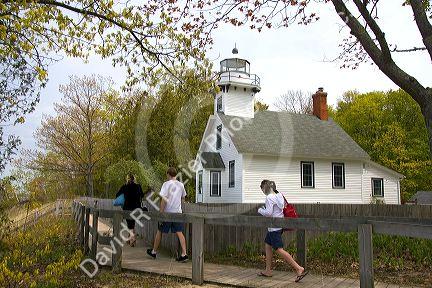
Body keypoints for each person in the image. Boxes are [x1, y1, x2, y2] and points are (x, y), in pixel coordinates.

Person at [257, 180, 308, 282]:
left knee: (279, 249)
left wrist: (260, 210)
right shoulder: (279, 195)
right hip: (279, 226)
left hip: (274, 228)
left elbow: (268, 213)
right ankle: (268, 271)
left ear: (266, 188)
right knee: (267, 245)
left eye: (262, 189)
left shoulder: (269, 197)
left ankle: (299, 268)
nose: (262, 191)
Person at [147, 167, 188, 262]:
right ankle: (184, 254)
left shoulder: (166, 184)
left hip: (167, 213)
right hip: (177, 213)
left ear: (168, 174)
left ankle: (154, 252)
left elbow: (164, 200)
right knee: (179, 232)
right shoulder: (181, 185)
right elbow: (183, 198)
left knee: (160, 231)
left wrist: (161, 213)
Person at [115, 172, 144, 247]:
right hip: (137, 208)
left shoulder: (125, 186)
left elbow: (117, 195)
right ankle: (130, 239)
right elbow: (142, 195)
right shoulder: (138, 186)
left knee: (130, 224)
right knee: (132, 223)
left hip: (127, 208)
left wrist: (124, 196)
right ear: (134, 179)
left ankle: (132, 239)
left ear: (127, 179)